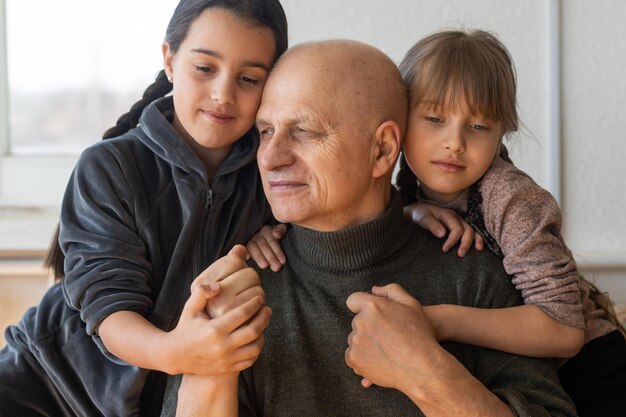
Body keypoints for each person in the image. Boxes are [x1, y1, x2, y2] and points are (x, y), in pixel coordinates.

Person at [162, 39, 577, 417]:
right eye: (266, 131)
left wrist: (428, 375)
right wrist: (209, 372)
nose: (270, 159)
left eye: (303, 131)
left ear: (381, 151)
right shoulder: (233, 292)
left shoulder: (475, 272)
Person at [0, 1, 287, 416]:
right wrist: (177, 352)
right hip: (43, 385)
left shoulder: (270, 178)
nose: (224, 94)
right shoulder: (108, 166)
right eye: (205, 68)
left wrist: (274, 232)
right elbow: (110, 311)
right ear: (170, 60)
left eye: (248, 78)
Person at [392, 29, 626, 417]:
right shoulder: (408, 190)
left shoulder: (509, 195)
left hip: (594, 374)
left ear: (503, 131)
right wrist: (408, 212)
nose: (454, 142)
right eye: (434, 118)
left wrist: (438, 321)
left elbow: (564, 329)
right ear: (399, 121)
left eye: (479, 126)